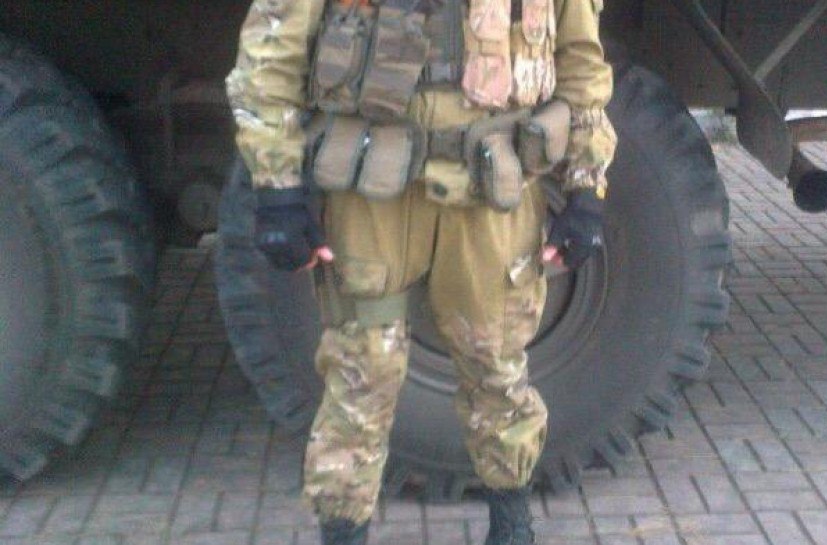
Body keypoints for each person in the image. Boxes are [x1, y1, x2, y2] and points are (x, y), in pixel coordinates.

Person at [226, 0, 616, 542]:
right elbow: (271, 53)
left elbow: (581, 63)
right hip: (371, 193)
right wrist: (278, 189)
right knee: (360, 375)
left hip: (491, 190)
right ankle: (343, 532)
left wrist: (586, 186)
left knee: (497, 367)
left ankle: (511, 528)